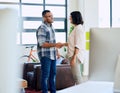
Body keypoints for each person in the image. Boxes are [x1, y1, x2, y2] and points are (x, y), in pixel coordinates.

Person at [36, 10, 63, 93]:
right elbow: (42, 44)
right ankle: (44, 91)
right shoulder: (42, 28)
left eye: (52, 15)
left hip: (53, 55)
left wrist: (57, 51)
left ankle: (53, 91)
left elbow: (52, 41)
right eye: (49, 16)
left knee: (53, 74)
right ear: (44, 18)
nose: (52, 17)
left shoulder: (51, 27)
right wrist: (55, 45)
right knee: (45, 76)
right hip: (45, 55)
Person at [64, 11, 85, 85]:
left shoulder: (79, 28)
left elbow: (78, 44)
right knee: (75, 76)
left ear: (75, 18)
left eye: (70, 17)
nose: (69, 18)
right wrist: (63, 44)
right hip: (73, 55)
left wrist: (74, 57)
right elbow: (72, 42)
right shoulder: (76, 28)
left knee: (77, 77)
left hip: (75, 56)